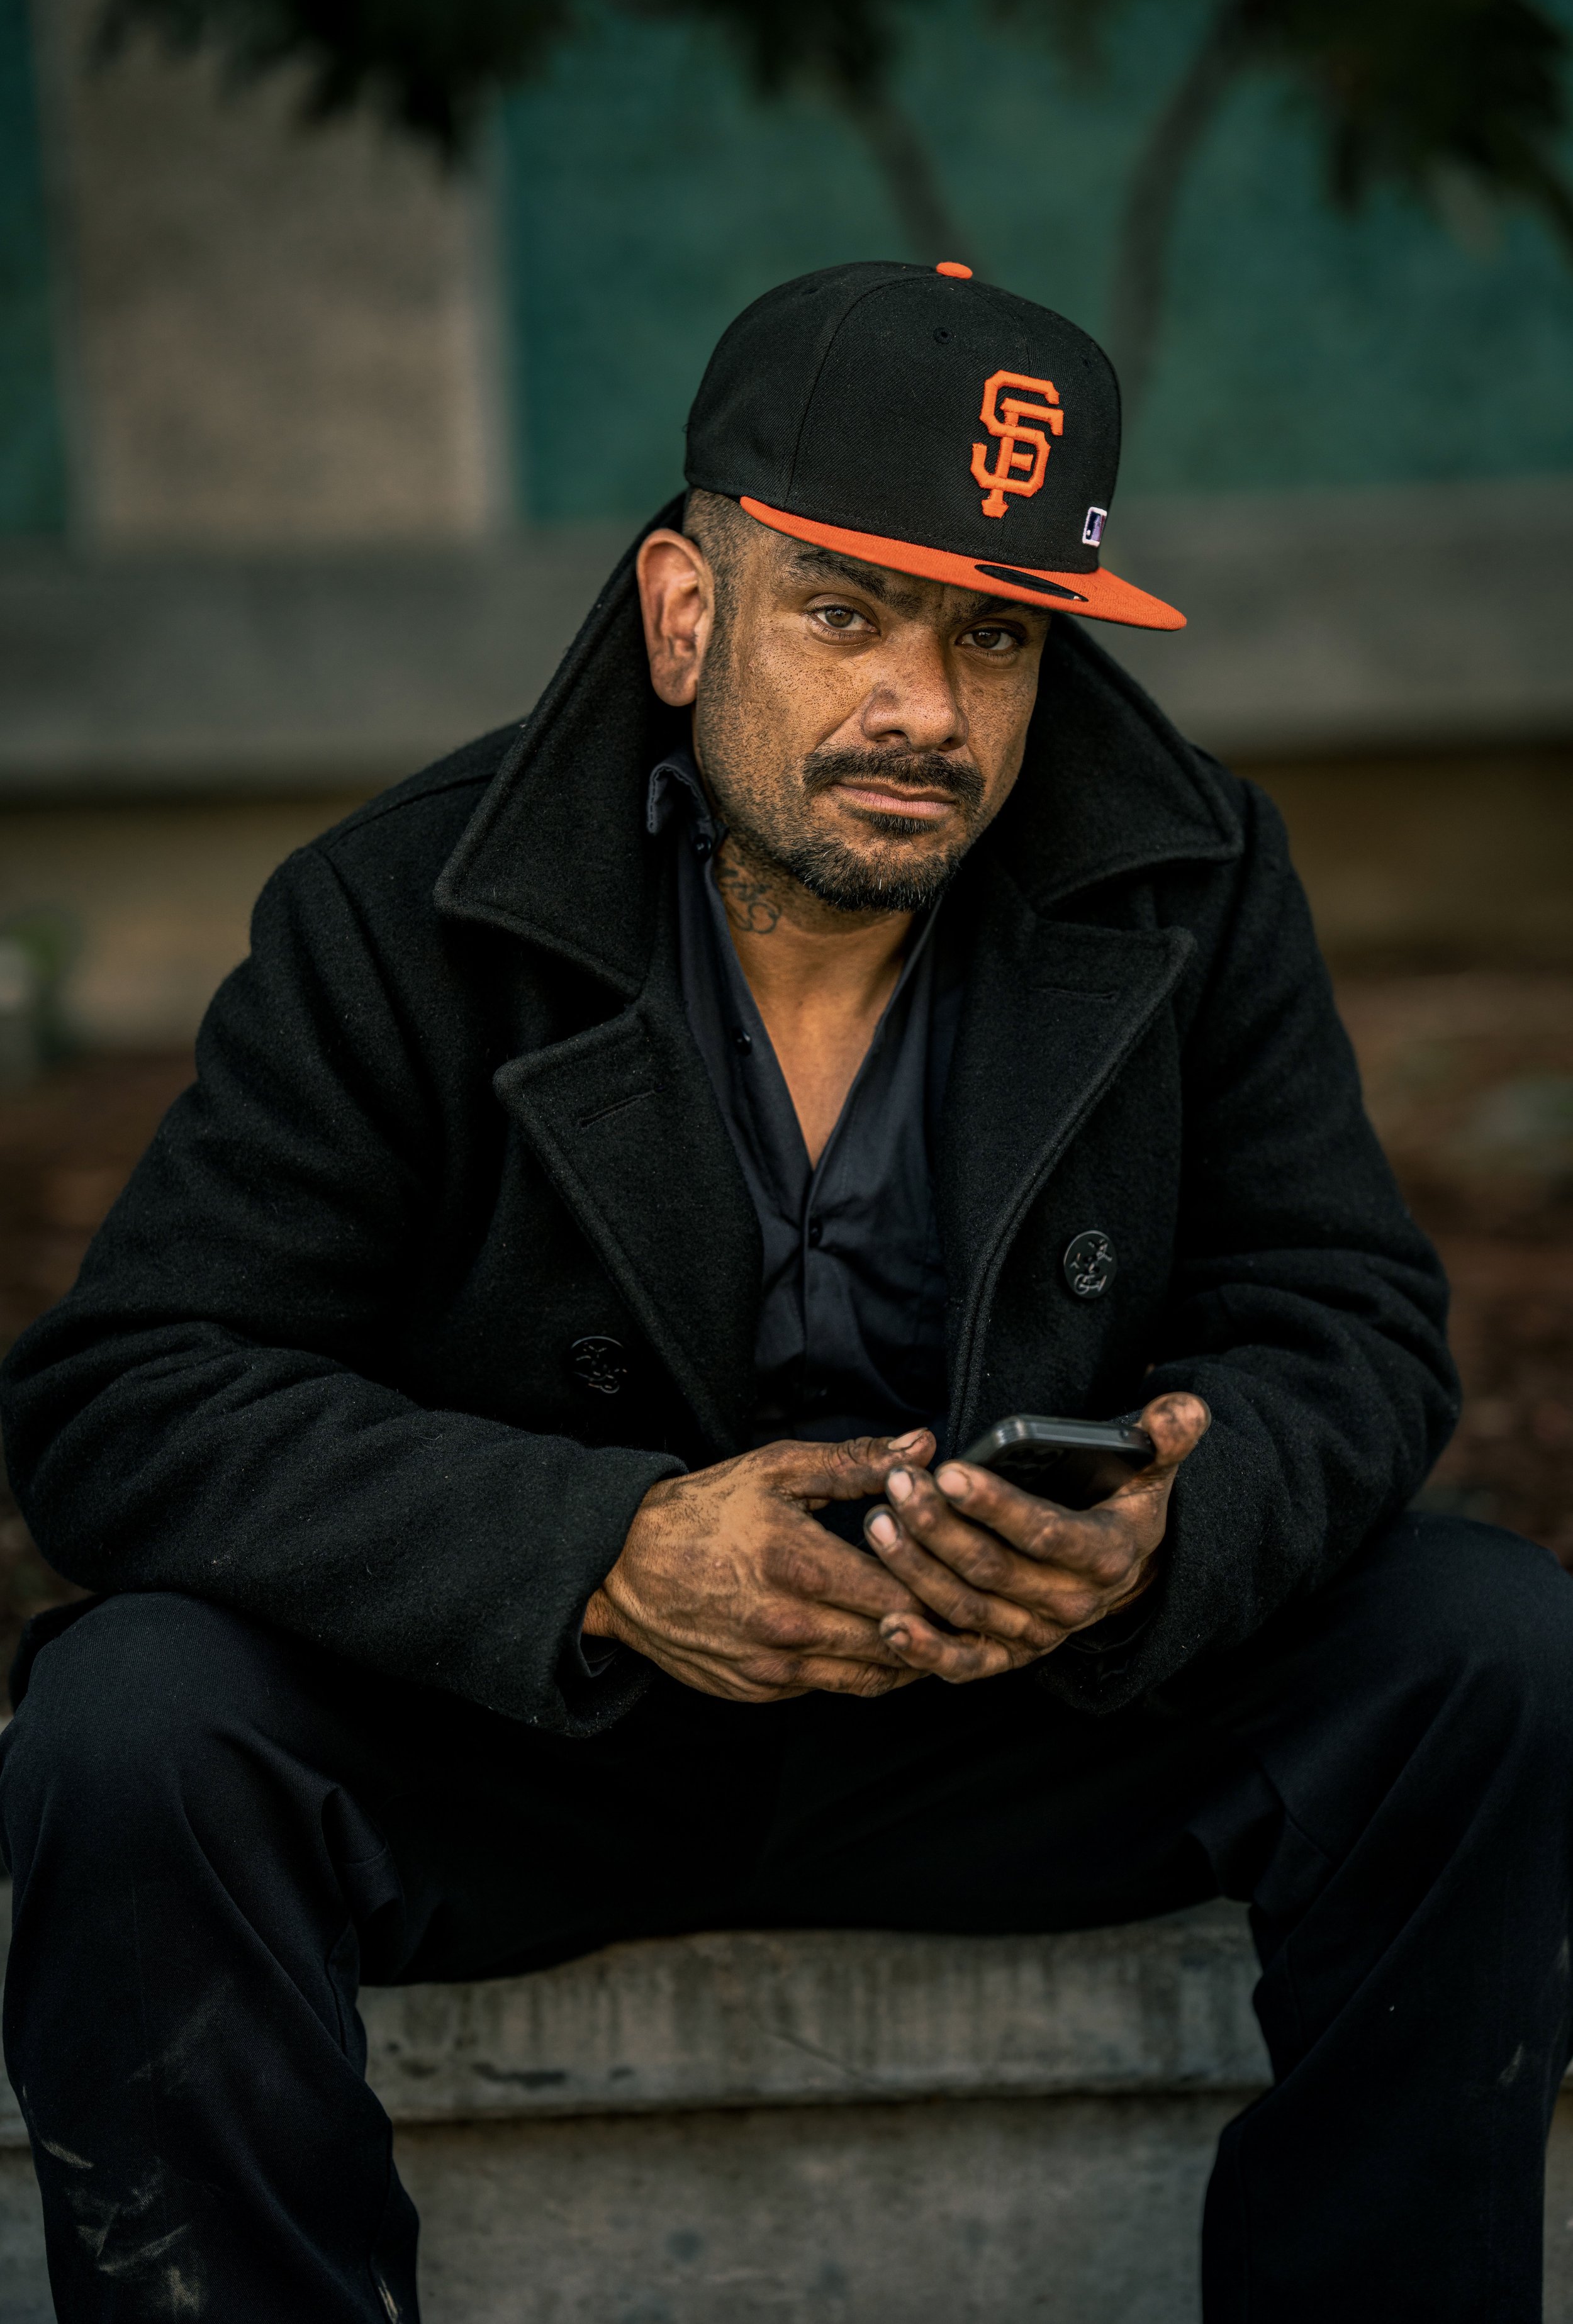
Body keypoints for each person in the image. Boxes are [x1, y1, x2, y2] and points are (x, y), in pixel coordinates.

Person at [1, 259, 1568, 2324]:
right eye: (844, 612)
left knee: (1491, 1652)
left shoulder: (1185, 879)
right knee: (130, 1723)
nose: (923, 707)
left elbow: (1345, 1318)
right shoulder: (404, 912)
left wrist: (1166, 1533)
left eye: (996, 636)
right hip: (527, 1741)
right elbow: (129, 1398)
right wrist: (602, 1550)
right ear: (682, 612)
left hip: (1012, 1726)